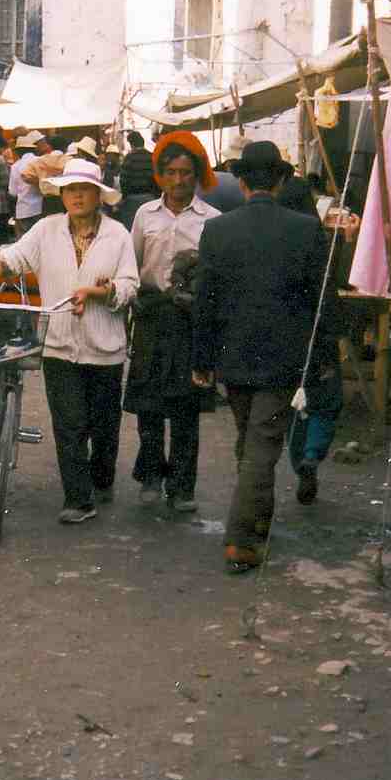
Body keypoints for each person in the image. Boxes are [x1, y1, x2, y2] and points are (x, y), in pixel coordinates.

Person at [0, 157, 139, 524]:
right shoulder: (46, 229)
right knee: (69, 423)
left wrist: (99, 292)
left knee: (102, 426)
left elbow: (130, 286)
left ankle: (101, 479)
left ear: (97, 196)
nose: (77, 196)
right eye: (70, 189)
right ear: (62, 194)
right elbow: (12, 260)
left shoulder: (118, 234)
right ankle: (78, 499)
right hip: (58, 342)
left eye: (84, 190)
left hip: (105, 348)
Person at [192, 140, 340, 574]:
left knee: (252, 439)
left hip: (232, 355)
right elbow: (322, 303)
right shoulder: (306, 229)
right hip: (283, 357)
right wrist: (324, 357)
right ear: (280, 180)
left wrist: (202, 358)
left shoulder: (217, 230)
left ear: (240, 182)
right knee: (260, 446)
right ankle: (242, 541)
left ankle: (257, 520)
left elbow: (205, 301)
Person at [124, 133, 220, 511]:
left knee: (185, 409)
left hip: (189, 323)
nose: (179, 181)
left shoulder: (213, 220)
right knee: (148, 405)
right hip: (150, 317)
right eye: (171, 173)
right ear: (160, 176)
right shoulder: (144, 215)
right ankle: (150, 475)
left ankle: (182, 488)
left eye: (186, 173)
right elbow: (131, 267)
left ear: (196, 176)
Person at [277, 175, 344, 504]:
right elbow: (329, 291)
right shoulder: (320, 237)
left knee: (294, 408)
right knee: (326, 401)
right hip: (319, 338)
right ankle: (313, 455)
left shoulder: (276, 238)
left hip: (285, 340)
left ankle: (300, 459)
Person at [117, 130, 158, 230]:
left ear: (131, 144)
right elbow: (157, 178)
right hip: (151, 198)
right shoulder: (152, 157)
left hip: (132, 201)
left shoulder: (129, 158)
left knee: (133, 230)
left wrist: (124, 197)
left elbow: (123, 181)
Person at [21, 134, 69, 216]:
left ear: (49, 146)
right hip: (65, 198)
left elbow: (25, 175)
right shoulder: (69, 160)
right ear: (66, 147)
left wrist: (41, 182)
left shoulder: (39, 160)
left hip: (47, 199)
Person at [9, 133, 44, 233]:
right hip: (40, 208)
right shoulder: (40, 161)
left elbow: (13, 192)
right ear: (33, 149)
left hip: (23, 210)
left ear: (19, 152)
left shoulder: (15, 166)